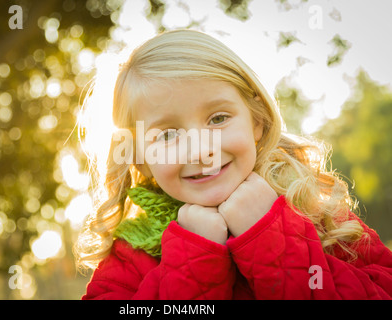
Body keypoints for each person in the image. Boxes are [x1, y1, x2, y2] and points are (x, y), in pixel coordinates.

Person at [75, 29, 392, 299]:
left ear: (256, 121)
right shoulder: (128, 262)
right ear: (140, 159)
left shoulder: (318, 214)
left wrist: (270, 237)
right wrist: (194, 257)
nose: (201, 151)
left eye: (218, 118)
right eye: (168, 134)